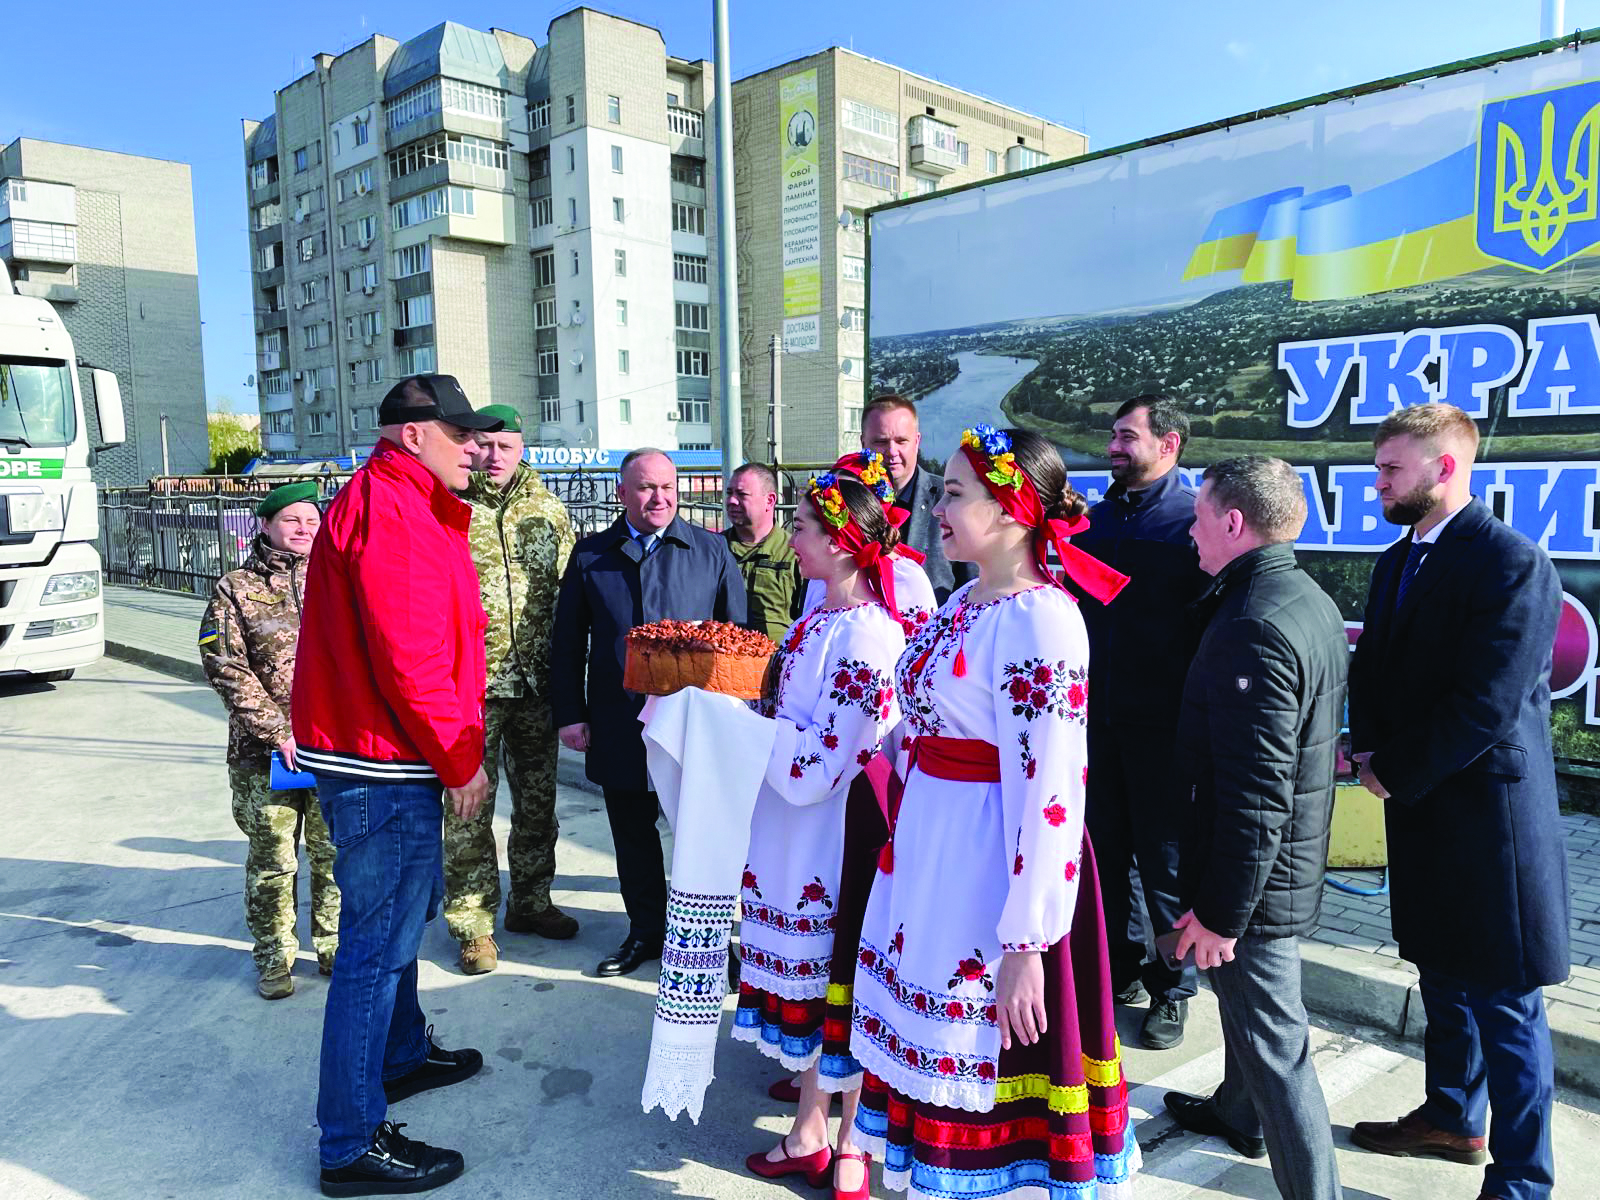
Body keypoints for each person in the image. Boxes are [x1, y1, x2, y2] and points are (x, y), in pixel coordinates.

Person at [848, 425, 1138, 1200]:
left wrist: (1026, 942)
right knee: (922, 1053)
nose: (936, 509)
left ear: (1011, 508)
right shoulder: (965, 600)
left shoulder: (1043, 620)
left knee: (980, 1060)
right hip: (932, 855)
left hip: (990, 869)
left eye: (953, 494)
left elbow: (1052, 788)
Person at [1347, 403, 1567, 1200]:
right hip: (1423, 807)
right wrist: (1363, 747)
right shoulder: (1399, 558)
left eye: (1391, 469)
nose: (1378, 483)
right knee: (1440, 973)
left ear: (1444, 467)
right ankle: (1451, 1117)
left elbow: (1488, 703)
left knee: (1505, 1002)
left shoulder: (1510, 562)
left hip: (1488, 820)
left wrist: (1394, 770)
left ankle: (1523, 1181)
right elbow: (1377, 669)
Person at [292, 375, 502, 1196]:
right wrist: (461, 758)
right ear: (413, 435)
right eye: (461, 435)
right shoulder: (396, 509)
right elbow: (410, 656)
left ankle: (402, 1055)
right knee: (374, 952)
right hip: (383, 759)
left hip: (378, 751)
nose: (475, 448)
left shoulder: (402, 496)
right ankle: (349, 1143)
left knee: (398, 924)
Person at [1159, 456, 1348, 1200]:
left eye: (1200, 518)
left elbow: (1256, 797)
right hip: (1278, 867)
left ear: (1234, 522)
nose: (1192, 534)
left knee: (1278, 1048)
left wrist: (1220, 914)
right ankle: (1238, 1112)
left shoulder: (1252, 625)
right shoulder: (1303, 597)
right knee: (1253, 1021)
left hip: (1254, 885)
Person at [551, 447, 747, 977]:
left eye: (667, 487)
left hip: (693, 725)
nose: (659, 498)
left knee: (698, 838)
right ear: (622, 493)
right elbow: (567, 642)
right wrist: (570, 713)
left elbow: (737, 639)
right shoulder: (592, 556)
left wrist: (735, 719)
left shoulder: (710, 549)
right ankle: (645, 932)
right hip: (619, 719)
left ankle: (709, 940)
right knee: (632, 835)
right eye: (645, 488)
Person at [1072, 394, 1208, 1049]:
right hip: (1095, 724)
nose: (1114, 447)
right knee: (1104, 856)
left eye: (1128, 436)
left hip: (1165, 732)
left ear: (1168, 444)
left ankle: (1173, 989)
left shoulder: (1191, 523)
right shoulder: (1093, 522)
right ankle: (1119, 970)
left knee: (1165, 865)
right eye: (1113, 436)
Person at [446, 404, 577, 976]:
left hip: (537, 684)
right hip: (471, 688)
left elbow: (571, 595)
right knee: (469, 809)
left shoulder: (548, 510)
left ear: (523, 448)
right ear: (470, 445)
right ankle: (473, 924)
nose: (495, 456)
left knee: (538, 803)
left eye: (507, 446)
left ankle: (531, 900)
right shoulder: (450, 506)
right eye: (485, 445)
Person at [199, 480, 339, 1001]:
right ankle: (275, 959)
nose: (303, 529)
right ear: (265, 525)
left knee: (333, 855)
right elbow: (224, 665)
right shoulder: (235, 588)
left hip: (332, 747)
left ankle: (335, 947)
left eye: (311, 520)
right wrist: (279, 732)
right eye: (291, 520)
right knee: (273, 862)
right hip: (263, 756)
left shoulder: (339, 577)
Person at [861, 394, 973, 604]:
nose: (892, 451)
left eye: (901, 441)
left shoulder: (950, 498)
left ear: (917, 441)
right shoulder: (843, 503)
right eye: (881, 442)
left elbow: (972, 583)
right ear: (863, 442)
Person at [723, 461, 805, 643]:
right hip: (723, 654)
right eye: (729, 493)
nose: (732, 501)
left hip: (776, 657)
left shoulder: (793, 551)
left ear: (769, 500)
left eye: (742, 494)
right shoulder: (715, 549)